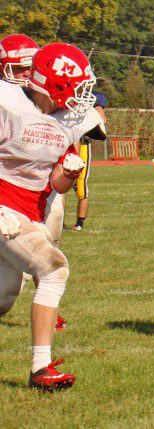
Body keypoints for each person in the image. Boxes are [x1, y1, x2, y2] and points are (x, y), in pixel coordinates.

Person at [0, 42, 105, 389]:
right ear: (54, 84)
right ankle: (40, 369)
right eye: (76, 86)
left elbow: (57, 185)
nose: (83, 95)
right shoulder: (8, 106)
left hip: (30, 212)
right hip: (5, 207)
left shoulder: (70, 119)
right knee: (54, 269)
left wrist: (71, 173)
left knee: (3, 298)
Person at [71, 91, 107, 231]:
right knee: (57, 188)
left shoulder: (95, 97)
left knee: (81, 186)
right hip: (65, 140)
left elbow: (102, 121)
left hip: (82, 142)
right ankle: (57, 221)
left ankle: (79, 223)